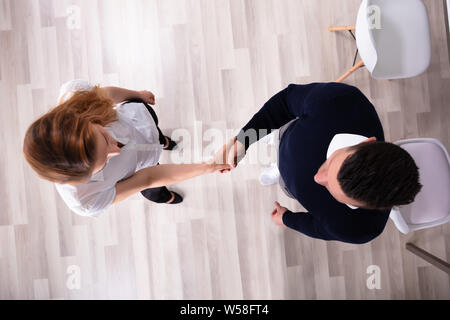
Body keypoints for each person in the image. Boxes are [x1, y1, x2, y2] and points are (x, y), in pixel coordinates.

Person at [216, 82, 422, 244]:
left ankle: (280, 170)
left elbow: (316, 227)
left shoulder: (359, 229)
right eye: (330, 162)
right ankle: (276, 142)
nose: (316, 178)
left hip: (291, 184)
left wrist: (287, 219)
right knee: (282, 140)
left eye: (331, 190)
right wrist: (245, 140)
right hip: (290, 136)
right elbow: (285, 103)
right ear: (367, 142)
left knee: (287, 182)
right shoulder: (342, 101)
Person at [23, 79, 230, 217]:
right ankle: (164, 197)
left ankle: (162, 141)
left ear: (85, 119)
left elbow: (104, 96)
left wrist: (137, 94)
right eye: (104, 162)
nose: (117, 151)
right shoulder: (85, 199)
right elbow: (148, 178)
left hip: (139, 122)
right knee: (153, 190)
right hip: (142, 169)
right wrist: (208, 166)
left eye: (105, 136)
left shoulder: (75, 98)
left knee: (156, 135)